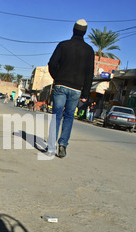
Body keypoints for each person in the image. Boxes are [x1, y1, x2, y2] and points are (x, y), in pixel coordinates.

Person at [46, 19, 95, 158]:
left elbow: (52, 63)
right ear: (85, 32)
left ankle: (51, 147)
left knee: (56, 115)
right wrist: (85, 93)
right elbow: (89, 74)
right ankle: (62, 144)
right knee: (69, 117)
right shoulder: (89, 50)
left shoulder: (63, 45)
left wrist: (57, 78)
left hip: (61, 85)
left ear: (73, 29)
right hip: (76, 89)